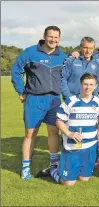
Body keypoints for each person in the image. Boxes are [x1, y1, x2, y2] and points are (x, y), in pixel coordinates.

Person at [11, 25, 66, 180]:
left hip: (55, 100)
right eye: (50, 36)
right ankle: (26, 166)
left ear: (59, 39)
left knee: (54, 132)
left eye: (56, 37)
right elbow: (16, 70)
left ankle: (54, 164)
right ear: (44, 36)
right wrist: (21, 90)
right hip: (34, 99)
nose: (53, 40)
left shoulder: (62, 55)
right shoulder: (30, 52)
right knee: (30, 133)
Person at [35, 73, 99, 186]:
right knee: (69, 183)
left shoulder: (98, 102)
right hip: (73, 146)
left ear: (95, 86)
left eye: (91, 84)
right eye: (85, 84)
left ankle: (67, 167)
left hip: (90, 146)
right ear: (81, 84)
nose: (88, 87)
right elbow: (59, 121)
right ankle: (53, 170)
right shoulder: (70, 101)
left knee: (84, 179)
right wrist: (69, 133)